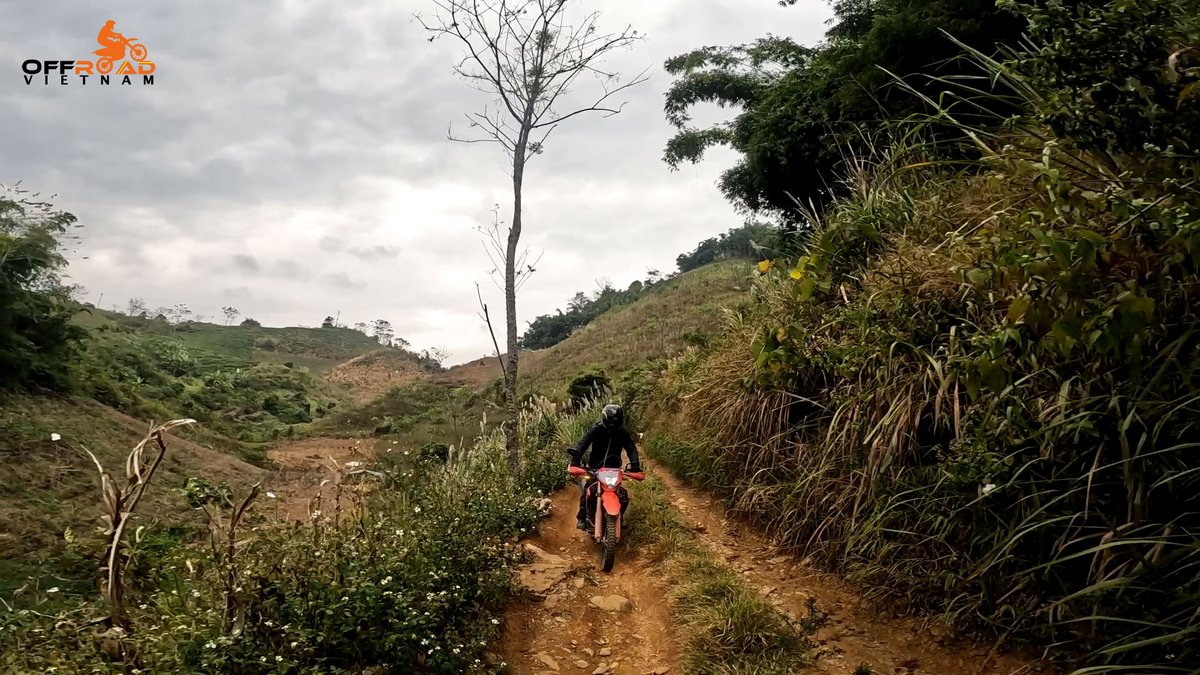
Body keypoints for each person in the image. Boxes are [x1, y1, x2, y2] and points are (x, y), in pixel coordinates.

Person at [567, 403, 641, 531]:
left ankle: (618, 517)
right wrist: (575, 460)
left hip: (613, 469)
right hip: (595, 467)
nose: (612, 425)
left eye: (615, 423)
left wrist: (635, 465)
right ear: (604, 419)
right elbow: (583, 443)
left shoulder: (622, 432)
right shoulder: (596, 429)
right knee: (588, 490)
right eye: (609, 422)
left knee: (622, 494)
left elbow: (631, 448)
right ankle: (582, 517)